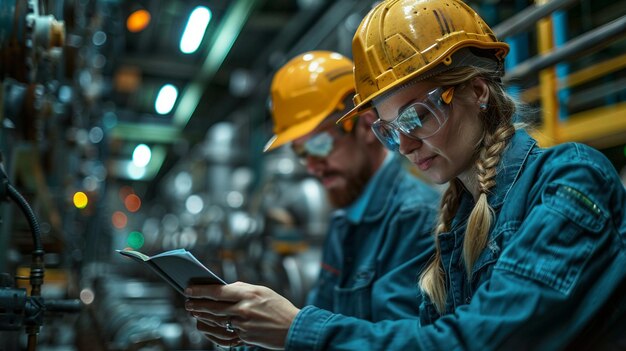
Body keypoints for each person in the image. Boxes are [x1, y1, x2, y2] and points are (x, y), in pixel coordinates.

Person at [185, 1, 626, 349]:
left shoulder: (570, 181)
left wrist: (298, 330)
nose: (406, 144)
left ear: (477, 92)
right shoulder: (456, 226)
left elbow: (474, 342)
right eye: (389, 129)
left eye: (416, 116)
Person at [185, 50, 439, 348]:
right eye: (300, 152)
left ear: (366, 125)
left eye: (318, 144)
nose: (311, 165)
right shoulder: (344, 217)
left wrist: (294, 327)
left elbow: (404, 343)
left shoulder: (414, 216)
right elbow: (324, 317)